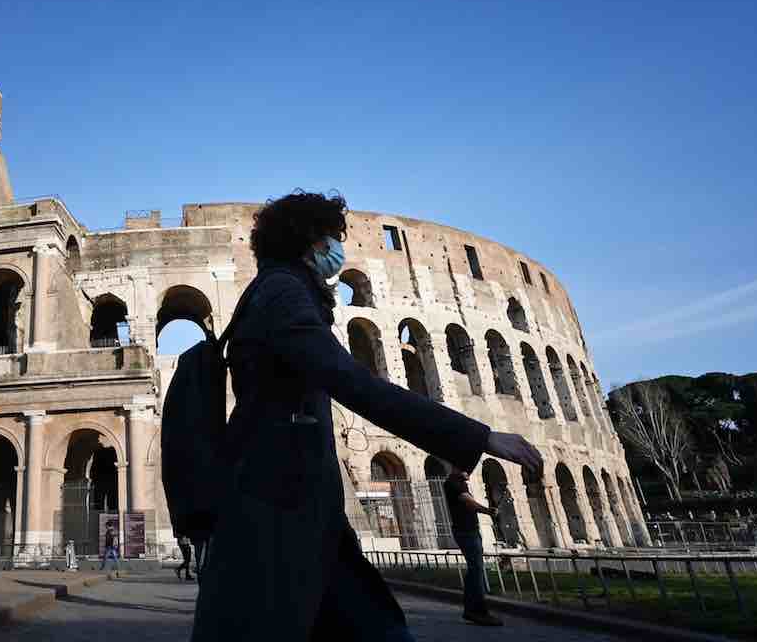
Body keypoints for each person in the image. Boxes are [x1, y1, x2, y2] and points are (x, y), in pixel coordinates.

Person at [190, 191, 543, 642]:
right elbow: (353, 382)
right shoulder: (283, 293)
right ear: (312, 242)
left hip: (296, 504)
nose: (339, 249)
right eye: (333, 238)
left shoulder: (275, 291)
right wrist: (478, 437)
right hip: (277, 506)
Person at [442, 469, 503, 626]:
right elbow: (468, 502)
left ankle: (472, 608)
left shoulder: (458, 483)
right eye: (467, 469)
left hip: (470, 530)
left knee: (475, 570)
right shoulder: (453, 484)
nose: (469, 472)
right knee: (476, 570)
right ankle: (477, 610)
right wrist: (488, 511)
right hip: (466, 531)